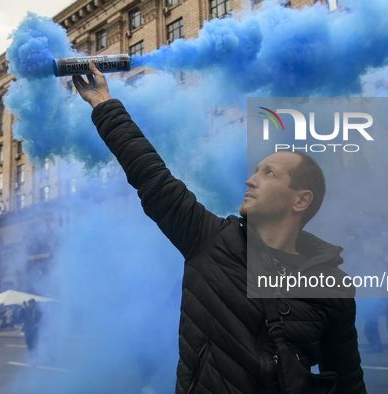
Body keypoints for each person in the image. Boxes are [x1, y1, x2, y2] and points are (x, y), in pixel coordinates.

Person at [73, 61, 367, 394]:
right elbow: (151, 175)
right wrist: (104, 105)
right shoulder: (210, 240)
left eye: (268, 173)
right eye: (255, 170)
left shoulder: (333, 287)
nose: (250, 180)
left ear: (301, 201)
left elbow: (348, 381)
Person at [23, 299, 42, 366]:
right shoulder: (25, 310)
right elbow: (21, 317)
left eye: (31, 303)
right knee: (29, 346)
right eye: (29, 303)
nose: (30, 304)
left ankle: (35, 359)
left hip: (35, 331)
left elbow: (40, 319)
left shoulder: (38, 310)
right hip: (28, 331)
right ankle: (31, 359)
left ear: (34, 303)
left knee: (35, 346)